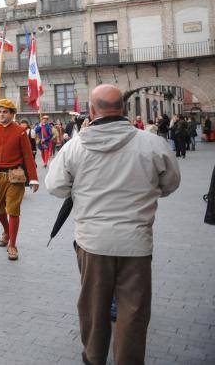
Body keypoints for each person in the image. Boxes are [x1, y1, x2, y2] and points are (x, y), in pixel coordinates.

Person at [46, 84, 180, 365]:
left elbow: (56, 187)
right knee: (133, 310)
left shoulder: (75, 146)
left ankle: (94, 357)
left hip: (93, 242)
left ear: (92, 111)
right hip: (136, 242)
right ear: (125, 109)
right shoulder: (152, 143)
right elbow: (170, 184)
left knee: (93, 306)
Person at [0, 99, 39, 261]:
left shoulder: (20, 131)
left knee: (13, 209)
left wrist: (33, 179)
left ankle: (12, 244)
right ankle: (6, 231)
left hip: (15, 175)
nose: (1, 114)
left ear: (12, 114)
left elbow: (28, 156)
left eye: (5, 112)